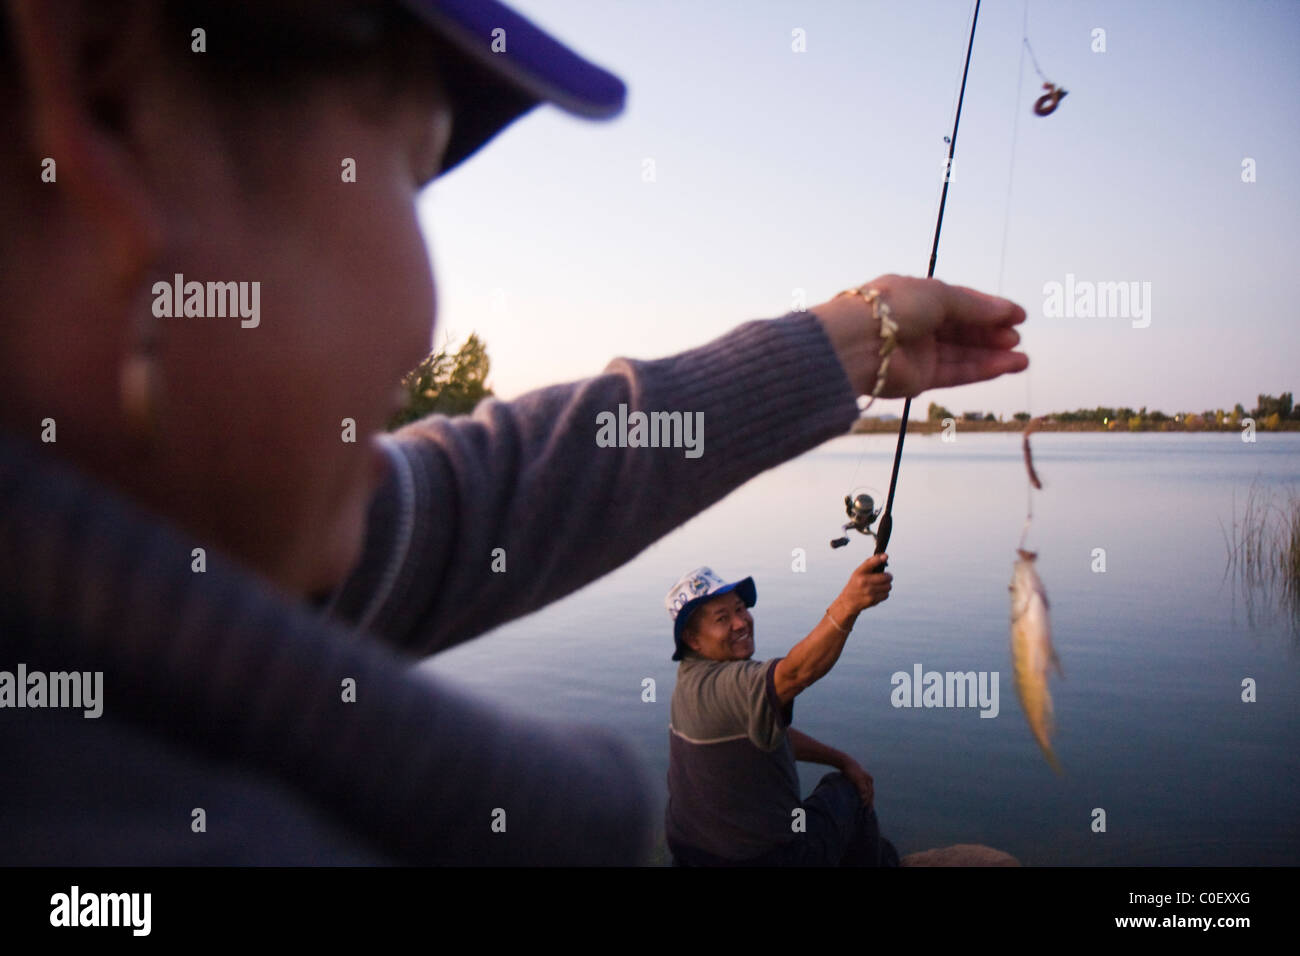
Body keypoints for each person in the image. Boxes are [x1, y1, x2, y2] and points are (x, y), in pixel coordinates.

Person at [0, 0, 1027, 865]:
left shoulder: (163, 588)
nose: (421, 323)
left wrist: (843, 345)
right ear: (106, 98)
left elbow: (479, 497)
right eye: (411, 166)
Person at [664, 561, 900, 866]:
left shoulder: (689, 681)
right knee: (848, 793)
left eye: (740, 609)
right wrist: (848, 604)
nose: (740, 623)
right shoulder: (723, 686)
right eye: (722, 618)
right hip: (768, 859)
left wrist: (841, 759)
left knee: (841, 793)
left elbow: (771, 733)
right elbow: (795, 674)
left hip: (693, 857)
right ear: (693, 640)